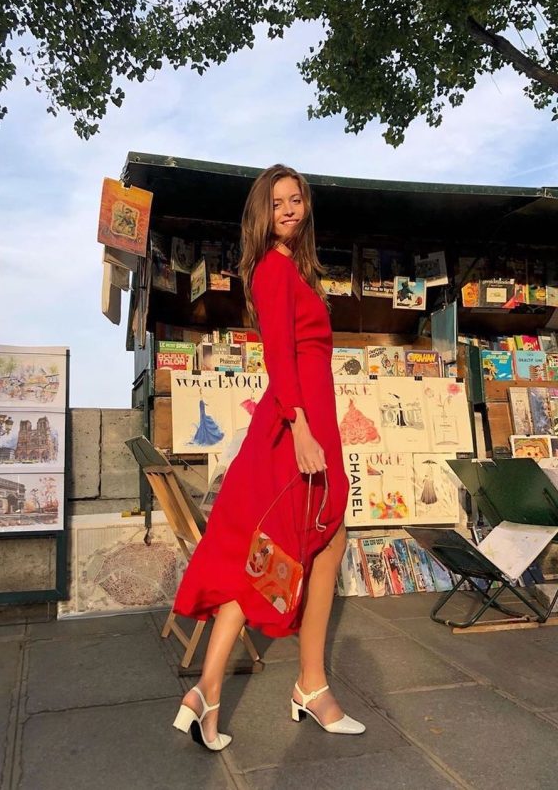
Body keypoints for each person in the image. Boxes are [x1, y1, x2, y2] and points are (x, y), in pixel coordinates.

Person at [172, 164, 365, 751]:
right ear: (262, 213)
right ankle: (311, 685)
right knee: (317, 547)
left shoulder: (289, 270)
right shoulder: (274, 269)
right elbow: (281, 356)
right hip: (296, 431)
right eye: (277, 202)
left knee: (272, 555)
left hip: (304, 426)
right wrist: (303, 430)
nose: (288, 208)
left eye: (296, 199)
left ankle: (207, 689)